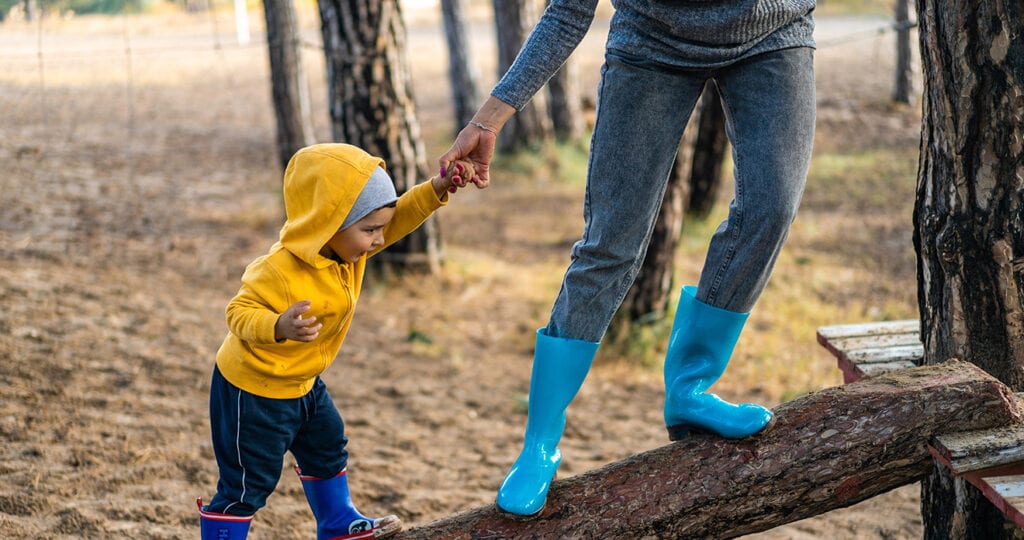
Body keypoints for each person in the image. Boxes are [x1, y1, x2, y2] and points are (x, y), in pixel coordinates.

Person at [439, 0, 817, 517]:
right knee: (609, 245)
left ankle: (690, 389)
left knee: (771, 210)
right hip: (652, 41)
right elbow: (568, 11)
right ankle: (539, 446)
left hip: (774, 31)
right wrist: (491, 117)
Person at [197, 143, 476, 539]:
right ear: (328, 224)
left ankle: (337, 522)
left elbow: (400, 217)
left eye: (380, 228)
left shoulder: (350, 249)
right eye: (370, 230)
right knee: (248, 482)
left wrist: (438, 187)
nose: (379, 239)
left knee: (327, 445)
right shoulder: (278, 269)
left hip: (304, 383)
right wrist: (277, 325)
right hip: (255, 392)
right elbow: (237, 313)